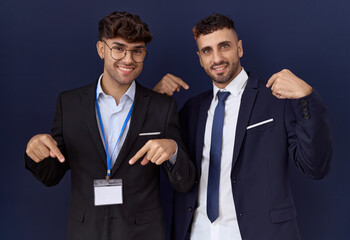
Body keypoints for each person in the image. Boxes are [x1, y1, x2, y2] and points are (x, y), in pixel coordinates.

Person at [153, 13, 332, 240]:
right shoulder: (192, 109)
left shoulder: (275, 99)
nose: (217, 58)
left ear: (239, 48)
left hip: (259, 233)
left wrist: (307, 98)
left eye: (224, 46)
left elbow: (316, 167)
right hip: (198, 232)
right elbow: (177, 172)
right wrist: (154, 101)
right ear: (200, 58)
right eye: (207, 50)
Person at [25, 11, 195, 240]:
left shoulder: (162, 107)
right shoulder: (69, 103)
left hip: (144, 233)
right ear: (101, 49)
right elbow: (51, 176)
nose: (128, 59)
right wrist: (36, 153)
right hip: (84, 232)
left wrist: (173, 151)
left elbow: (185, 183)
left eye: (137, 51)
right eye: (119, 48)